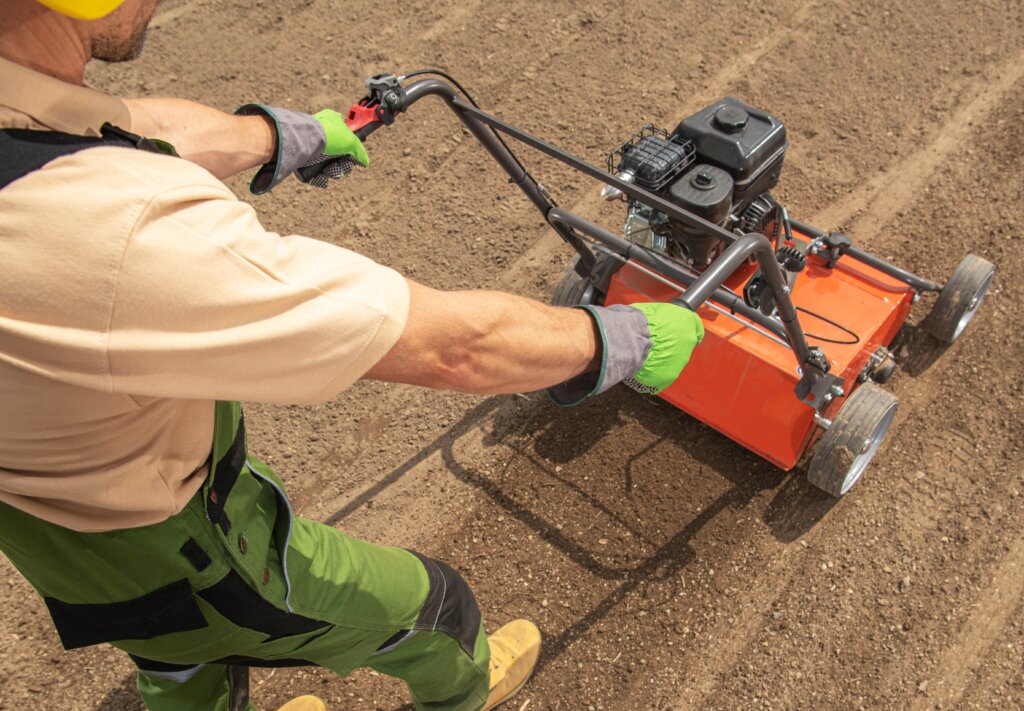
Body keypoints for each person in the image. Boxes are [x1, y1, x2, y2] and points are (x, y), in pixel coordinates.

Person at [0, 1, 705, 710]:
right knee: (439, 609)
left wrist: (276, 135)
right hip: (189, 551)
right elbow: (452, 347)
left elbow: (108, 126)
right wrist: (618, 339)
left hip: (57, 542)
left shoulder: (25, 121)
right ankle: (465, 692)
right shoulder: (119, 232)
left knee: (173, 657)